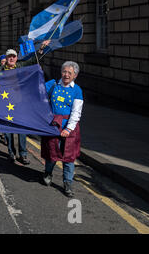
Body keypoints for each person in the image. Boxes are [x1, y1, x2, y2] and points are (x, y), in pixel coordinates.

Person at [41, 61, 83, 198]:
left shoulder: (77, 90)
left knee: (69, 158)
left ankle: (67, 183)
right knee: (51, 154)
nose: (66, 75)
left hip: (69, 128)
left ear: (75, 75)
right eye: (64, 71)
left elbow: (76, 113)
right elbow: (37, 91)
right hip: (53, 125)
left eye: (69, 73)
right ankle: (48, 172)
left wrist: (68, 129)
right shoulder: (53, 84)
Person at [2, 42, 49, 165]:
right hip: (5, 105)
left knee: (22, 131)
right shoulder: (0, 71)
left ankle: (23, 154)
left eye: (13, 56)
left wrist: (41, 49)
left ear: (16, 58)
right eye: (9, 56)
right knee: (8, 131)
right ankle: (11, 153)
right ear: (6, 58)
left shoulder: (21, 66)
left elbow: (34, 60)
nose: (11, 58)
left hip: (20, 104)